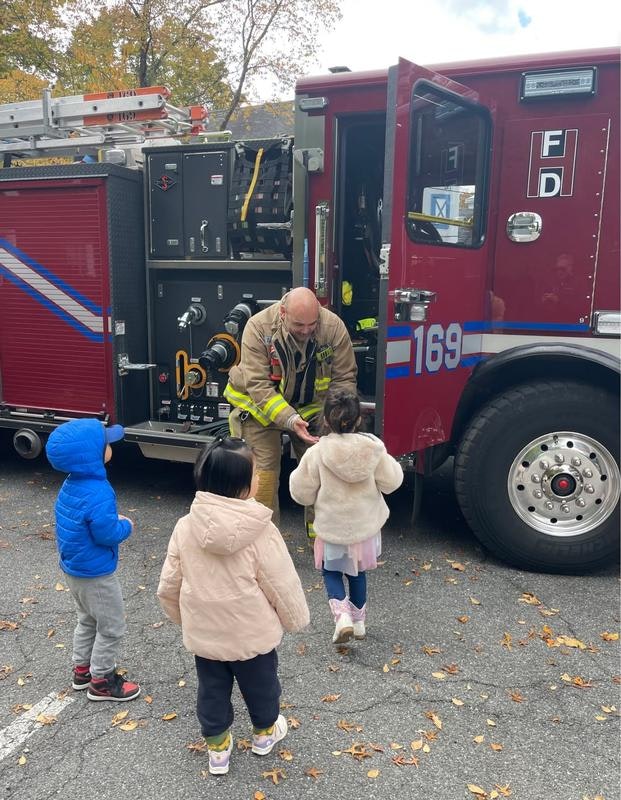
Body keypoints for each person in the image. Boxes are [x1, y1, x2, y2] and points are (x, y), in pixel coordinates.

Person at [157, 437, 310, 776]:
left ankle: (218, 751)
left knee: (211, 691)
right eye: (255, 473)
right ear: (242, 486)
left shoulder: (185, 527)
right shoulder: (261, 530)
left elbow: (170, 583)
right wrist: (296, 618)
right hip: (251, 634)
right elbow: (280, 582)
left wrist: (184, 618)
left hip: (207, 636)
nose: (259, 478)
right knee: (262, 687)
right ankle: (264, 735)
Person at [224, 286, 357, 527]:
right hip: (261, 410)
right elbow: (259, 387)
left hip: (313, 411)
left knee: (323, 474)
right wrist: (290, 420)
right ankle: (264, 543)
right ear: (283, 313)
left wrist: (335, 415)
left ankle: (323, 544)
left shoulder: (333, 327)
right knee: (262, 478)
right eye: (299, 325)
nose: (306, 331)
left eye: (312, 324)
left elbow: (344, 379)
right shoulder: (257, 327)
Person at [289, 389, 403, 644]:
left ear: (326, 421)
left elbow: (300, 493)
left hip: (332, 527)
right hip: (365, 528)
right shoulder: (374, 449)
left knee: (331, 572)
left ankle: (342, 619)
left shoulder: (317, 453)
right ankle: (359, 622)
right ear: (359, 419)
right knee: (357, 573)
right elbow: (392, 481)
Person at [45, 419, 140, 702]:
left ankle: (82, 670)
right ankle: (102, 680)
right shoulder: (98, 491)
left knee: (87, 619)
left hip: (74, 569)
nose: (110, 446)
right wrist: (126, 525)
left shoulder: (70, 484)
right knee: (111, 626)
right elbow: (105, 532)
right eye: (106, 443)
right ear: (92, 455)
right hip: (96, 573)